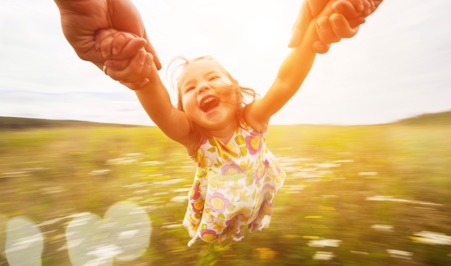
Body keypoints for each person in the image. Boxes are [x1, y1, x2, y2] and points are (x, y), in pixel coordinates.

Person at [56, 0, 383, 246]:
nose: (203, 87)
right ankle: (220, 235)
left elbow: (285, 80)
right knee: (219, 232)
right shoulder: (193, 137)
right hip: (218, 199)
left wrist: (313, 32)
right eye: (189, 88)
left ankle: (246, 224)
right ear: (183, 107)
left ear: (236, 90)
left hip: (255, 185)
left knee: (251, 214)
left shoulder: (253, 119)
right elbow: (162, 111)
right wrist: (143, 78)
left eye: (212, 77)